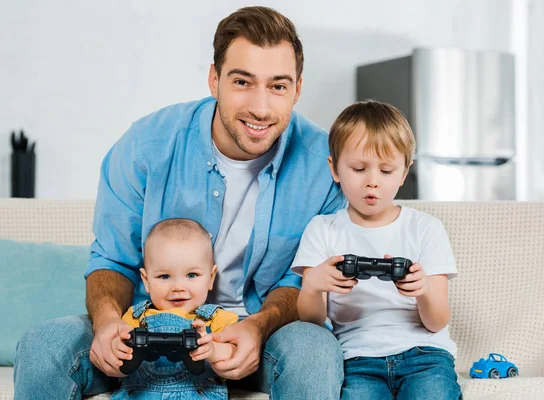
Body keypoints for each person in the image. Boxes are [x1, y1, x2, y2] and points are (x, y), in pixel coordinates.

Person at [14, 6, 346, 400]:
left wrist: (258, 326)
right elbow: (113, 260)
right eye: (242, 81)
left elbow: (305, 280)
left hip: (265, 331)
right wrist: (106, 324)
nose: (260, 107)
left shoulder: (325, 165)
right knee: (44, 343)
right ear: (214, 79)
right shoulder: (145, 146)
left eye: (278, 86)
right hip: (148, 327)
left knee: (316, 351)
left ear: (298, 89)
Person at [293, 100, 462, 399]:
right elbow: (313, 322)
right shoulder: (322, 229)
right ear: (334, 168)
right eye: (358, 168)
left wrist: (423, 289)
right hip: (357, 359)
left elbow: (437, 321)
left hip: (425, 356)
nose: (372, 182)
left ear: (404, 172)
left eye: (386, 170)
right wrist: (312, 286)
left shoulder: (426, 228)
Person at [110, 218, 238, 399]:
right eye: (164, 276)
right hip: (139, 393)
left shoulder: (217, 319)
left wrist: (213, 350)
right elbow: (116, 365)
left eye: (191, 275)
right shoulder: (135, 317)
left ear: (210, 278)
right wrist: (118, 348)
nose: (178, 287)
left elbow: (235, 356)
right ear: (146, 281)